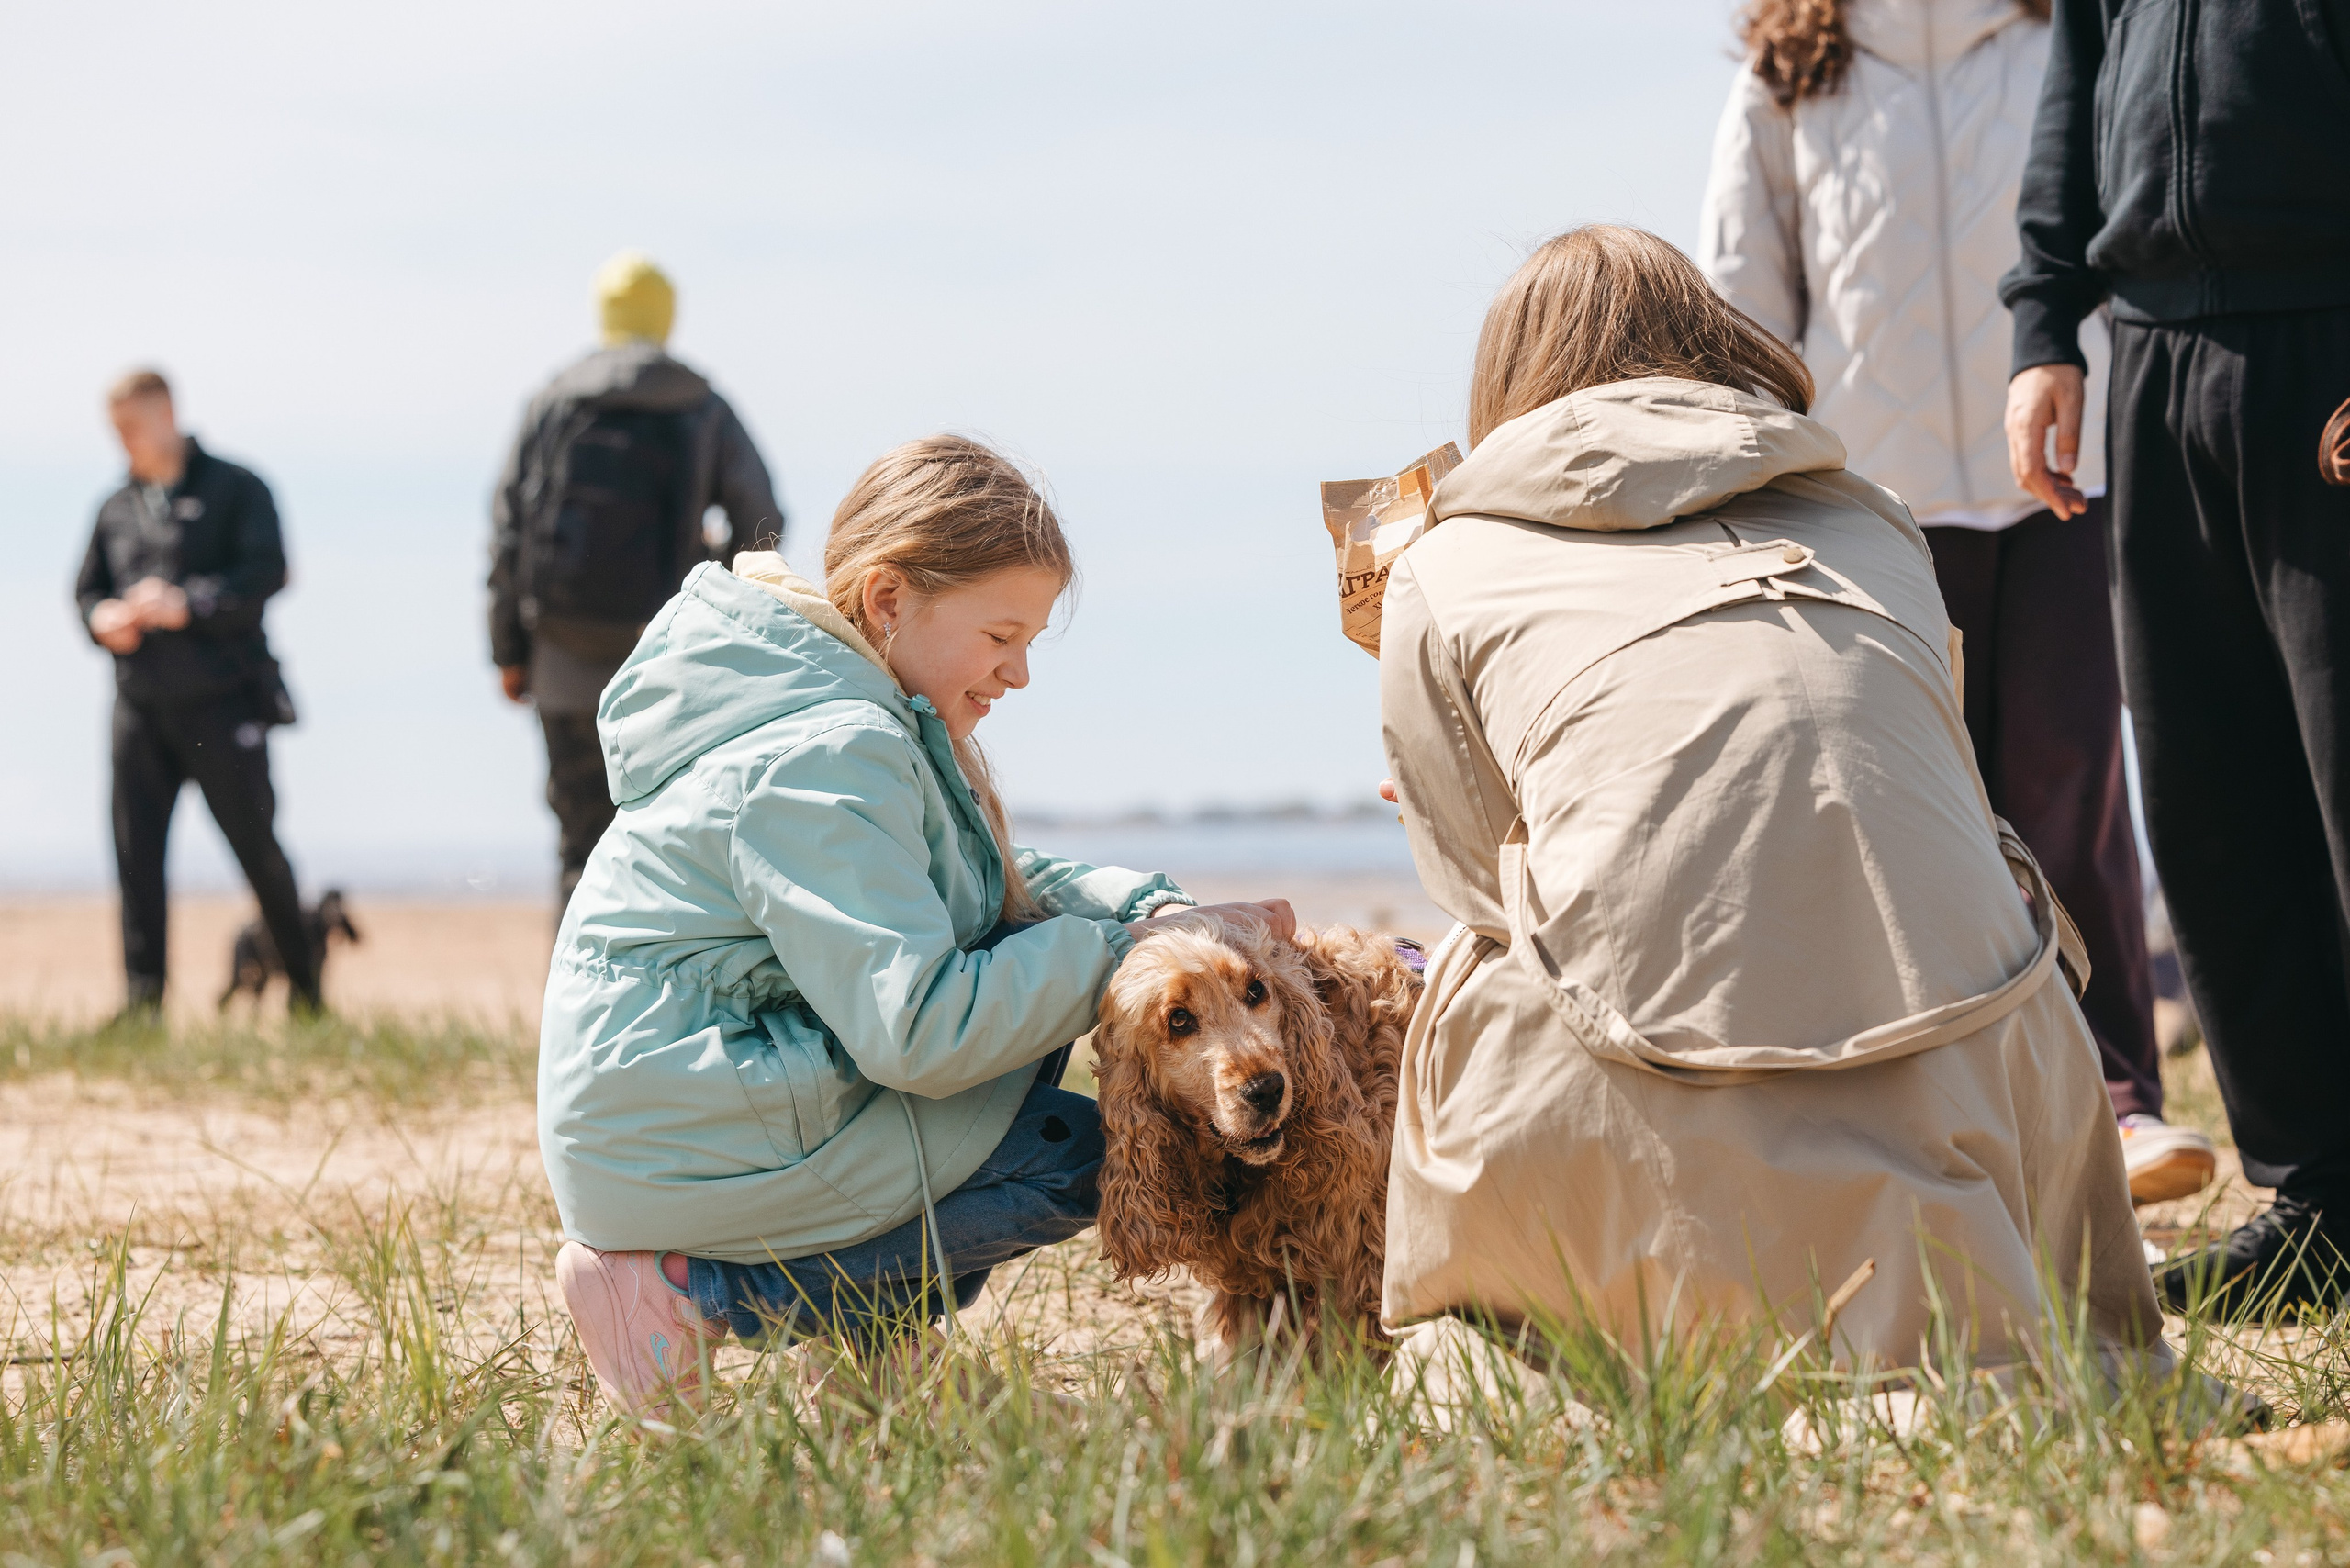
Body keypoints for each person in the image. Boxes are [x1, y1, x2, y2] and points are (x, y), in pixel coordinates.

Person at [1377, 227, 2165, 1375]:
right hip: (1966, 1048)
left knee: (1472, 954)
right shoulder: (1875, 515)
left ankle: (1575, 1321)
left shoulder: (1442, 562)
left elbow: (1463, 876)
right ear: (1710, 338)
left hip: (1639, 1072)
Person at [539, 435, 1292, 1418]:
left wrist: (1156, 913)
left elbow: (999, 893)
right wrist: (1122, 957)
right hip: (684, 1141)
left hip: (702, 1114)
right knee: (1086, 1155)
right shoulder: (823, 756)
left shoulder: (857, 720)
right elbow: (920, 1031)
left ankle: (863, 1355)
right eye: (1000, 634)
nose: (1018, 671)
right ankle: (691, 1291)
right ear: (890, 600)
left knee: (1036, 1105)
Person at [1696, 0, 2214, 1207]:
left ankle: (2118, 1103)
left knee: (2067, 780)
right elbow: (1742, 302)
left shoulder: (2062, 37)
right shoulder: (1790, 69)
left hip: (2069, 477)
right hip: (1867, 508)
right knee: (1903, 818)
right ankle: (1945, 1126)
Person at [2001, 0, 2350, 1316]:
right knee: (2210, 800)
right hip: (2152, 353)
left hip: (2329, 337)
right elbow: (2076, 77)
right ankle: (2317, 1200)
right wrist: (2046, 324)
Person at [487, 251, 786, 912]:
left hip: (560, 660)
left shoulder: (551, 401)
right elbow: (760, 516)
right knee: (670, 844)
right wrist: (720, 612)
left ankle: (569, 1011)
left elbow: (508, 530)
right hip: (672, 657)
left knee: (578, 843)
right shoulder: (703, 404)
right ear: (667, 315)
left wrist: (509, 652)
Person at [74, 370, 319, 1023]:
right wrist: (102, 620)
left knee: (257, 849)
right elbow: (87, 593)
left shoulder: (237, 487)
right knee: (136, 857)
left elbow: (268, 572)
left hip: (224, 702)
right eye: (115, 430)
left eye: (130, 426)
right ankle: (142, 1005)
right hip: (140, 708)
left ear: (165, 413)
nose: (123, 441)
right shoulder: (115, 507)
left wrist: (189, 604)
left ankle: (308, 994)